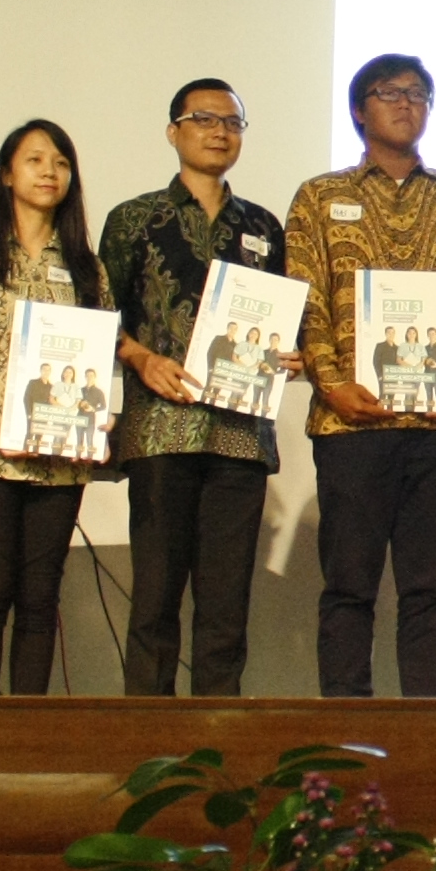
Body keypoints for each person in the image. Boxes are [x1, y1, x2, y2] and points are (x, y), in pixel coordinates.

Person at [286, 54, 436, 697]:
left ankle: (426, 728)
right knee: (348, 588)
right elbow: (306, 296)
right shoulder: (320, 197)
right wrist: (331, 384)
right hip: (350, 424)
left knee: (430, 591)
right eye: (390, 92)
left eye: (418, 93)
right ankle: (346, 727)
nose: (406, 103)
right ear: (360, 110)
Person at [100, 78, 290, 698]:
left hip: (240, 436)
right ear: (173, 131)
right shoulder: (133, 220)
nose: (219, 132)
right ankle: (146, 737)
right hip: (160, 432)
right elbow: (100, 318)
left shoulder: (263, 225)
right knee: (154, 601)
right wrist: (140, 357)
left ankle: (220, 735)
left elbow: (286, 320)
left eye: (232, 122)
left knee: (225, 608)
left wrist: (291, 355)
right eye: (204, 119)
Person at [0, 119, 104, 696]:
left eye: (60, 162)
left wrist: (98, 416)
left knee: (40, 598)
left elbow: (97, 354)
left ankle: (31, 730)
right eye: (35, 160)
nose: (49, 172)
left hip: (60, 457)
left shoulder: (86, 264)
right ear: (7, 174)